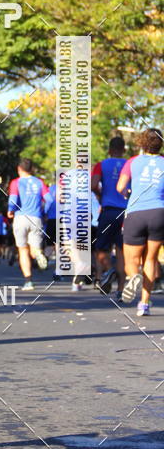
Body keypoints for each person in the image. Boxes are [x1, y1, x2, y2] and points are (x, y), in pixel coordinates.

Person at [116, 129, 164, 316]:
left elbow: (120, 187)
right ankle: (144, 303)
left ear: (141, 143)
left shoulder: (133, 162)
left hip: (136, 212)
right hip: (159, 213)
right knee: (150, 260)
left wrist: (129, 194)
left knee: (132, 260)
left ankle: (133, 276)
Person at [91, 136, 127, 301]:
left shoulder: (101, 165)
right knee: (121, 251)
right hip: (126, 212)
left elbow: (93, 185)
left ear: (109, 149)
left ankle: (108, 270)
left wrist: (101, 195)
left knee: (100, 248)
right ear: (124, 149)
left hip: (108, 211)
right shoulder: (130, 164)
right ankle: (120, 290)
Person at [8, 158, 49, 291]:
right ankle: (38, 254)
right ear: (31, 169)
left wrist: (10, 211)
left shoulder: (16, 182)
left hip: (21, 217)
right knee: (34, 249)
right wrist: (44, 212)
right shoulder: (40, 182)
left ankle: (28, 281)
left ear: (19, 169)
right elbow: (49, 199)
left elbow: (13, 199)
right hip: (36, 218)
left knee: (23, 249)